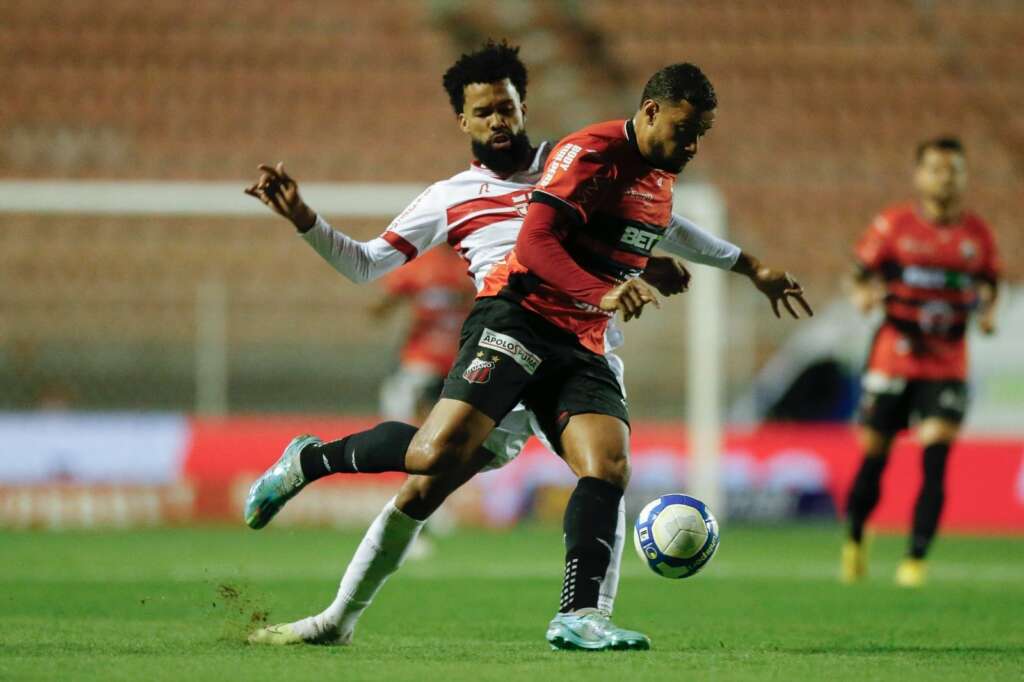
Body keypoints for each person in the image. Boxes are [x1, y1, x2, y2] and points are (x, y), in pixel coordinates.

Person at [244, 46, 810, 651]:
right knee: (427, 467)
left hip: (584, 337)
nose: (498, 121)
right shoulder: (460, 192)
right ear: (462, 120)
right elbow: (370, 264)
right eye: (483, 111)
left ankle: (582, 614)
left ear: (522, 106)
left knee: (609, 466)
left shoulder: (572, 162)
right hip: (513, 324)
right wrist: (305, 217)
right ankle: (318, 512)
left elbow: (651, 223)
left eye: (507, 107)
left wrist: (723, 265)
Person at [842, 137, 1000, 587]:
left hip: (947, 361)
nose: (944, 178)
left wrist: (987, 314)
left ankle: (915, 559)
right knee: (874, 458)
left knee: (936, 457)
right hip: (894, 355)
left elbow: (990, 285)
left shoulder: (977, 236)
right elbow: (859, 272)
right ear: (919, 175)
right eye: (935, 169)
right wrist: (863, 295)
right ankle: (855, 536)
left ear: (964, 176)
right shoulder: (894, 226)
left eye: (953, 170)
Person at [372, 245, 475, 425]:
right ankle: (402, 444)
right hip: (427, 355)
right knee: (402, 397)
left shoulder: (474, 260)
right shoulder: (421, 263)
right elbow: (382, 306)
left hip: (465, 357)